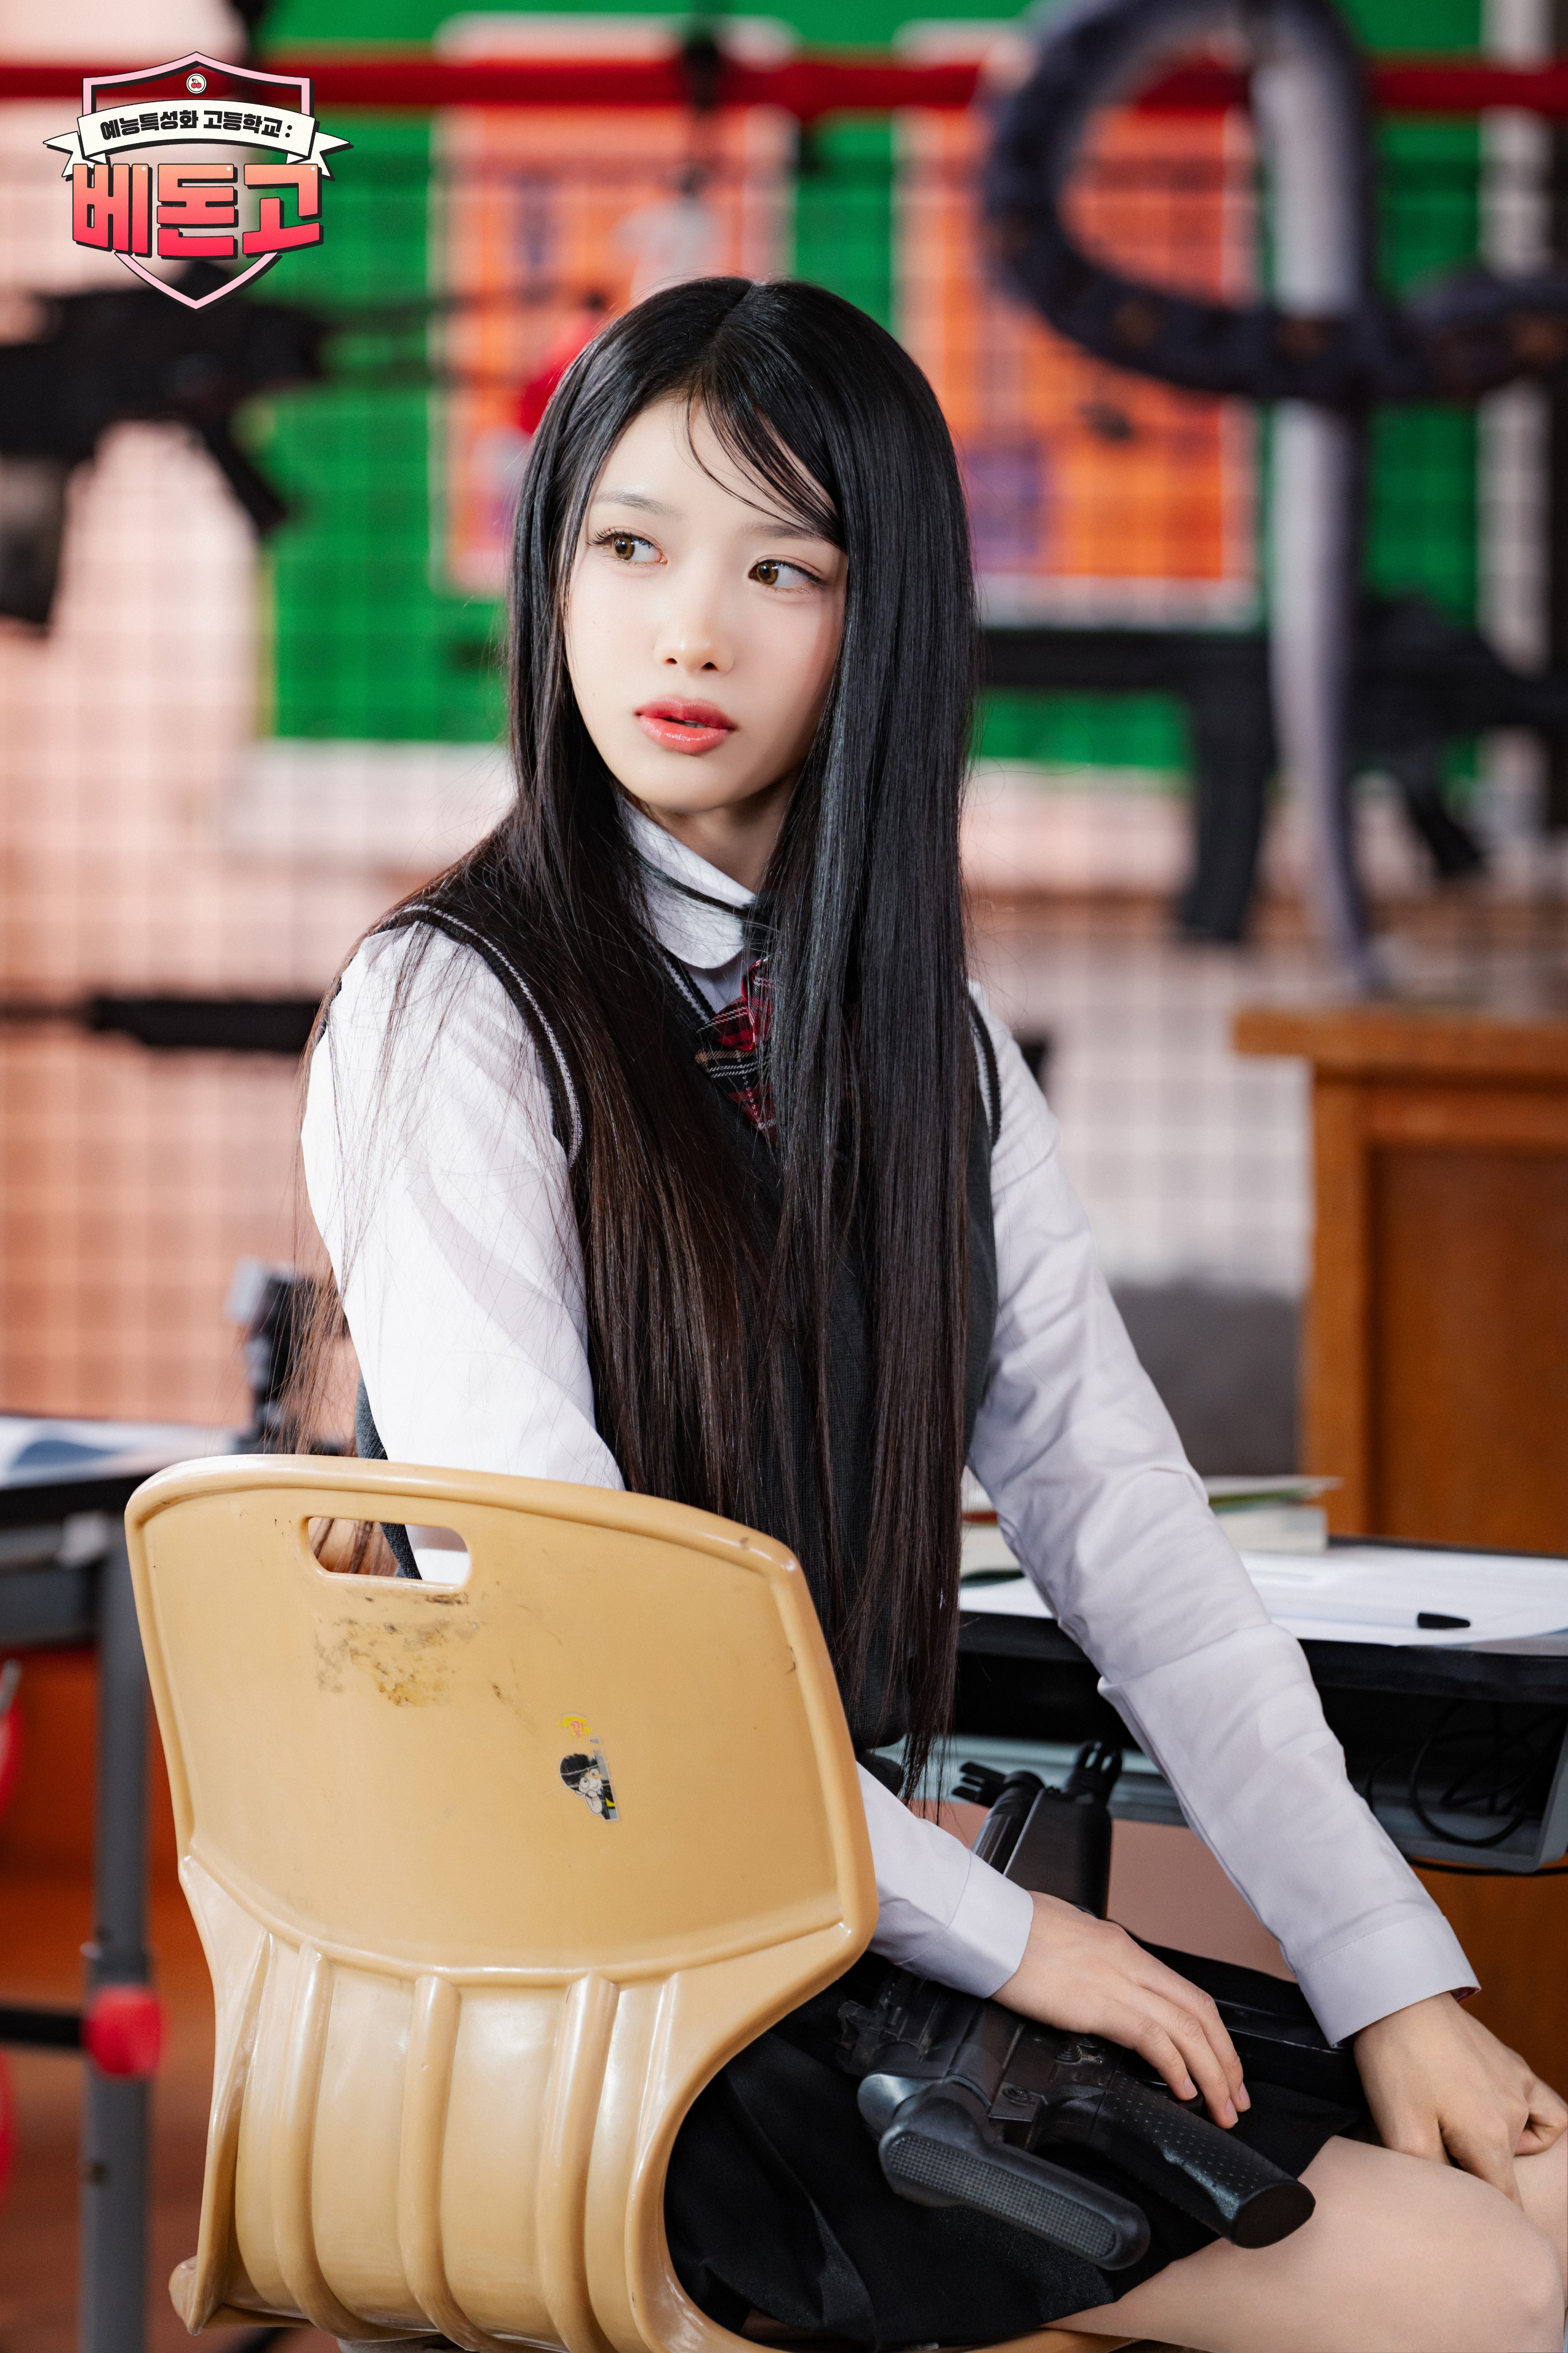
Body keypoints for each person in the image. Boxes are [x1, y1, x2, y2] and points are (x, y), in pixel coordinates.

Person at [302, 276, 1566, 2353]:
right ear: (551, 576)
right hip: (609, 1982)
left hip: (847, 1937)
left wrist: (1390, 1979)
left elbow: (1132, 1536)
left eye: (778, 567)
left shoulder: (933, 1046)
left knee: (1539, 2199)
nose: (686, 631)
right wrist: (1011, 1937)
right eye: (628, 545)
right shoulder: (449, 1005)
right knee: (1490, 2288)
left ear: (878, 619)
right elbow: (571, 1618)